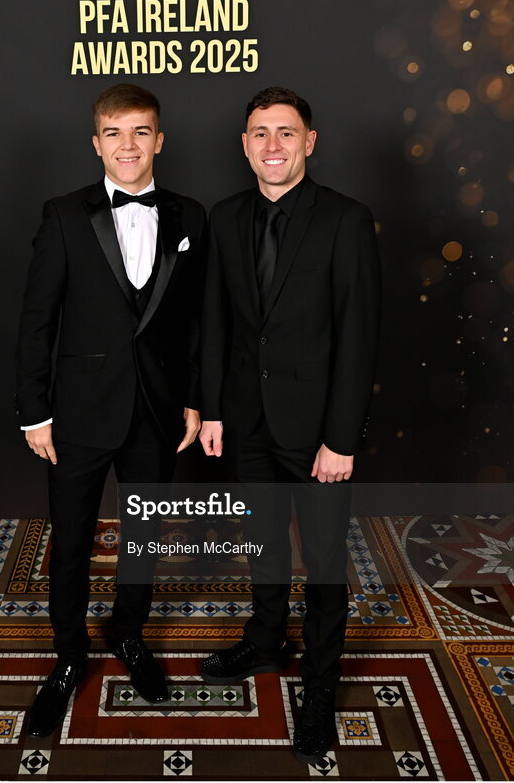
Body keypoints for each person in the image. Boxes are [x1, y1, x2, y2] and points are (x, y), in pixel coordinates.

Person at [15, 83, 206, 737]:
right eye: (114, 134)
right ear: (96, 143)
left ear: (160, 140)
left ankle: (129, 634)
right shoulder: (64, 215)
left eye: (140, 132)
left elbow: (196, 321)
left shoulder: (189, 215)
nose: (128, 146)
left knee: (142, 538)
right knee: (70, 542)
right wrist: (34, 412)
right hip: (76, 413)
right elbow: (37, 321)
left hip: (157, 411)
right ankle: (69, 655)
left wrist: (194, 400)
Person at [198, 86, 380, 766]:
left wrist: (341, 439)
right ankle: (266, 640)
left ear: (309, 141)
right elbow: (216, 320)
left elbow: (359, 337)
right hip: (246, 422)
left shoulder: (346, 219)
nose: (272, 145)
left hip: (317, 434)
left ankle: (321, 687)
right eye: (259, 133)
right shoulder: (224, 217)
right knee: (264, 542)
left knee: (325, 563)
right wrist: (214, 408)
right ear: (244, 146)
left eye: (285, 132)